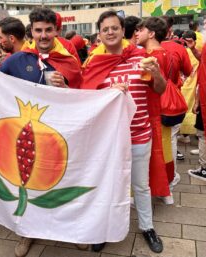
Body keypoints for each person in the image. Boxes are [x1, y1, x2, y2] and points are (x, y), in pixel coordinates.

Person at [0, 7, 83, 256]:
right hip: (24, 138)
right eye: (38, 30)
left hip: (58, 138)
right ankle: (27, 233)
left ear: (56, 31)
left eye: (48, 30)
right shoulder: (17, 59)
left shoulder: (69, 62)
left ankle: (70, 232)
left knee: (61, 184)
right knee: (28, 188)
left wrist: (68, 85)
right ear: (31, 31)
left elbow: (83, 97)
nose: (43, 35)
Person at [81, 10, 165, 253]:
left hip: (139, 134)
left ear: (122, 30)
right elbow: (88, 100)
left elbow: (159, 90)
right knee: (108, 184)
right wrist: (108, 93)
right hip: (109, 139)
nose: (110, 32)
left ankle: (148, 227)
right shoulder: (95, 63)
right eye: (105, 29)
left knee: (140, 185)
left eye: (114, 28)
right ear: (100, 34)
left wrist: (157, 72)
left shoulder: (142, 57)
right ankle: (105, 229)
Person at [135, 17, 174, 204]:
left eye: (141, 30)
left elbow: (144, 83)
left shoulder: (149, 56)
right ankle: (164, 192)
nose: (137, 33)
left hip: (149, 108)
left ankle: (156, 191)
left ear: (150, 33)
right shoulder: (164, 52)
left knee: (151, 155)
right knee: (159, 151)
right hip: (157, 108)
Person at [161, 16, 193, 188]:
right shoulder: (178, 49)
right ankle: (170, 177)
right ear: (170, 30)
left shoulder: (142, 49)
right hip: (171, 100)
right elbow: (188, 71)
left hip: (149, 101)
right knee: (170, 138)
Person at [186, 11, 206, 180]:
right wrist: (194, 50)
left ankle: (205, 169)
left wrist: (199, 99)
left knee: (204, 131)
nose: (205, 26)